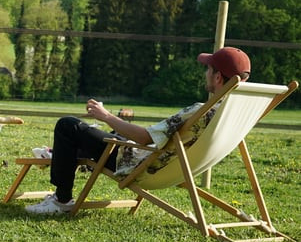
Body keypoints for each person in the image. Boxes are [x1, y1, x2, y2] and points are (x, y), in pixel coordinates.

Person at [26, 47, 252, 215]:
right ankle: (60, 154)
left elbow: (144, 137)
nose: (205, 73)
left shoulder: (200, 111)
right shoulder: (236, 113)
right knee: (101, 134)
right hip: (169, 165)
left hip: (137, 163)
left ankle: (61, 200)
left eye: (208, 69)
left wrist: (106, 115)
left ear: (218, 77)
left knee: (69, 126)